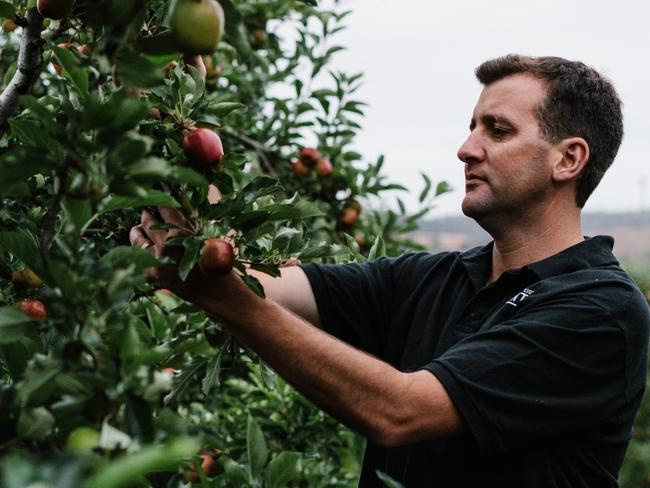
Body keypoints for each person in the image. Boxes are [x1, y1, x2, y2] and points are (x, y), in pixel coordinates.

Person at [130, 54, 650, 487]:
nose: (467, 148)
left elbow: (400, 413)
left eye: (498, 130)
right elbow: (253, 280)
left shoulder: (601, 310)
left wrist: (220, 296)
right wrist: (176, 123)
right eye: (472, 127)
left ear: (568, 160)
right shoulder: (433, 278)